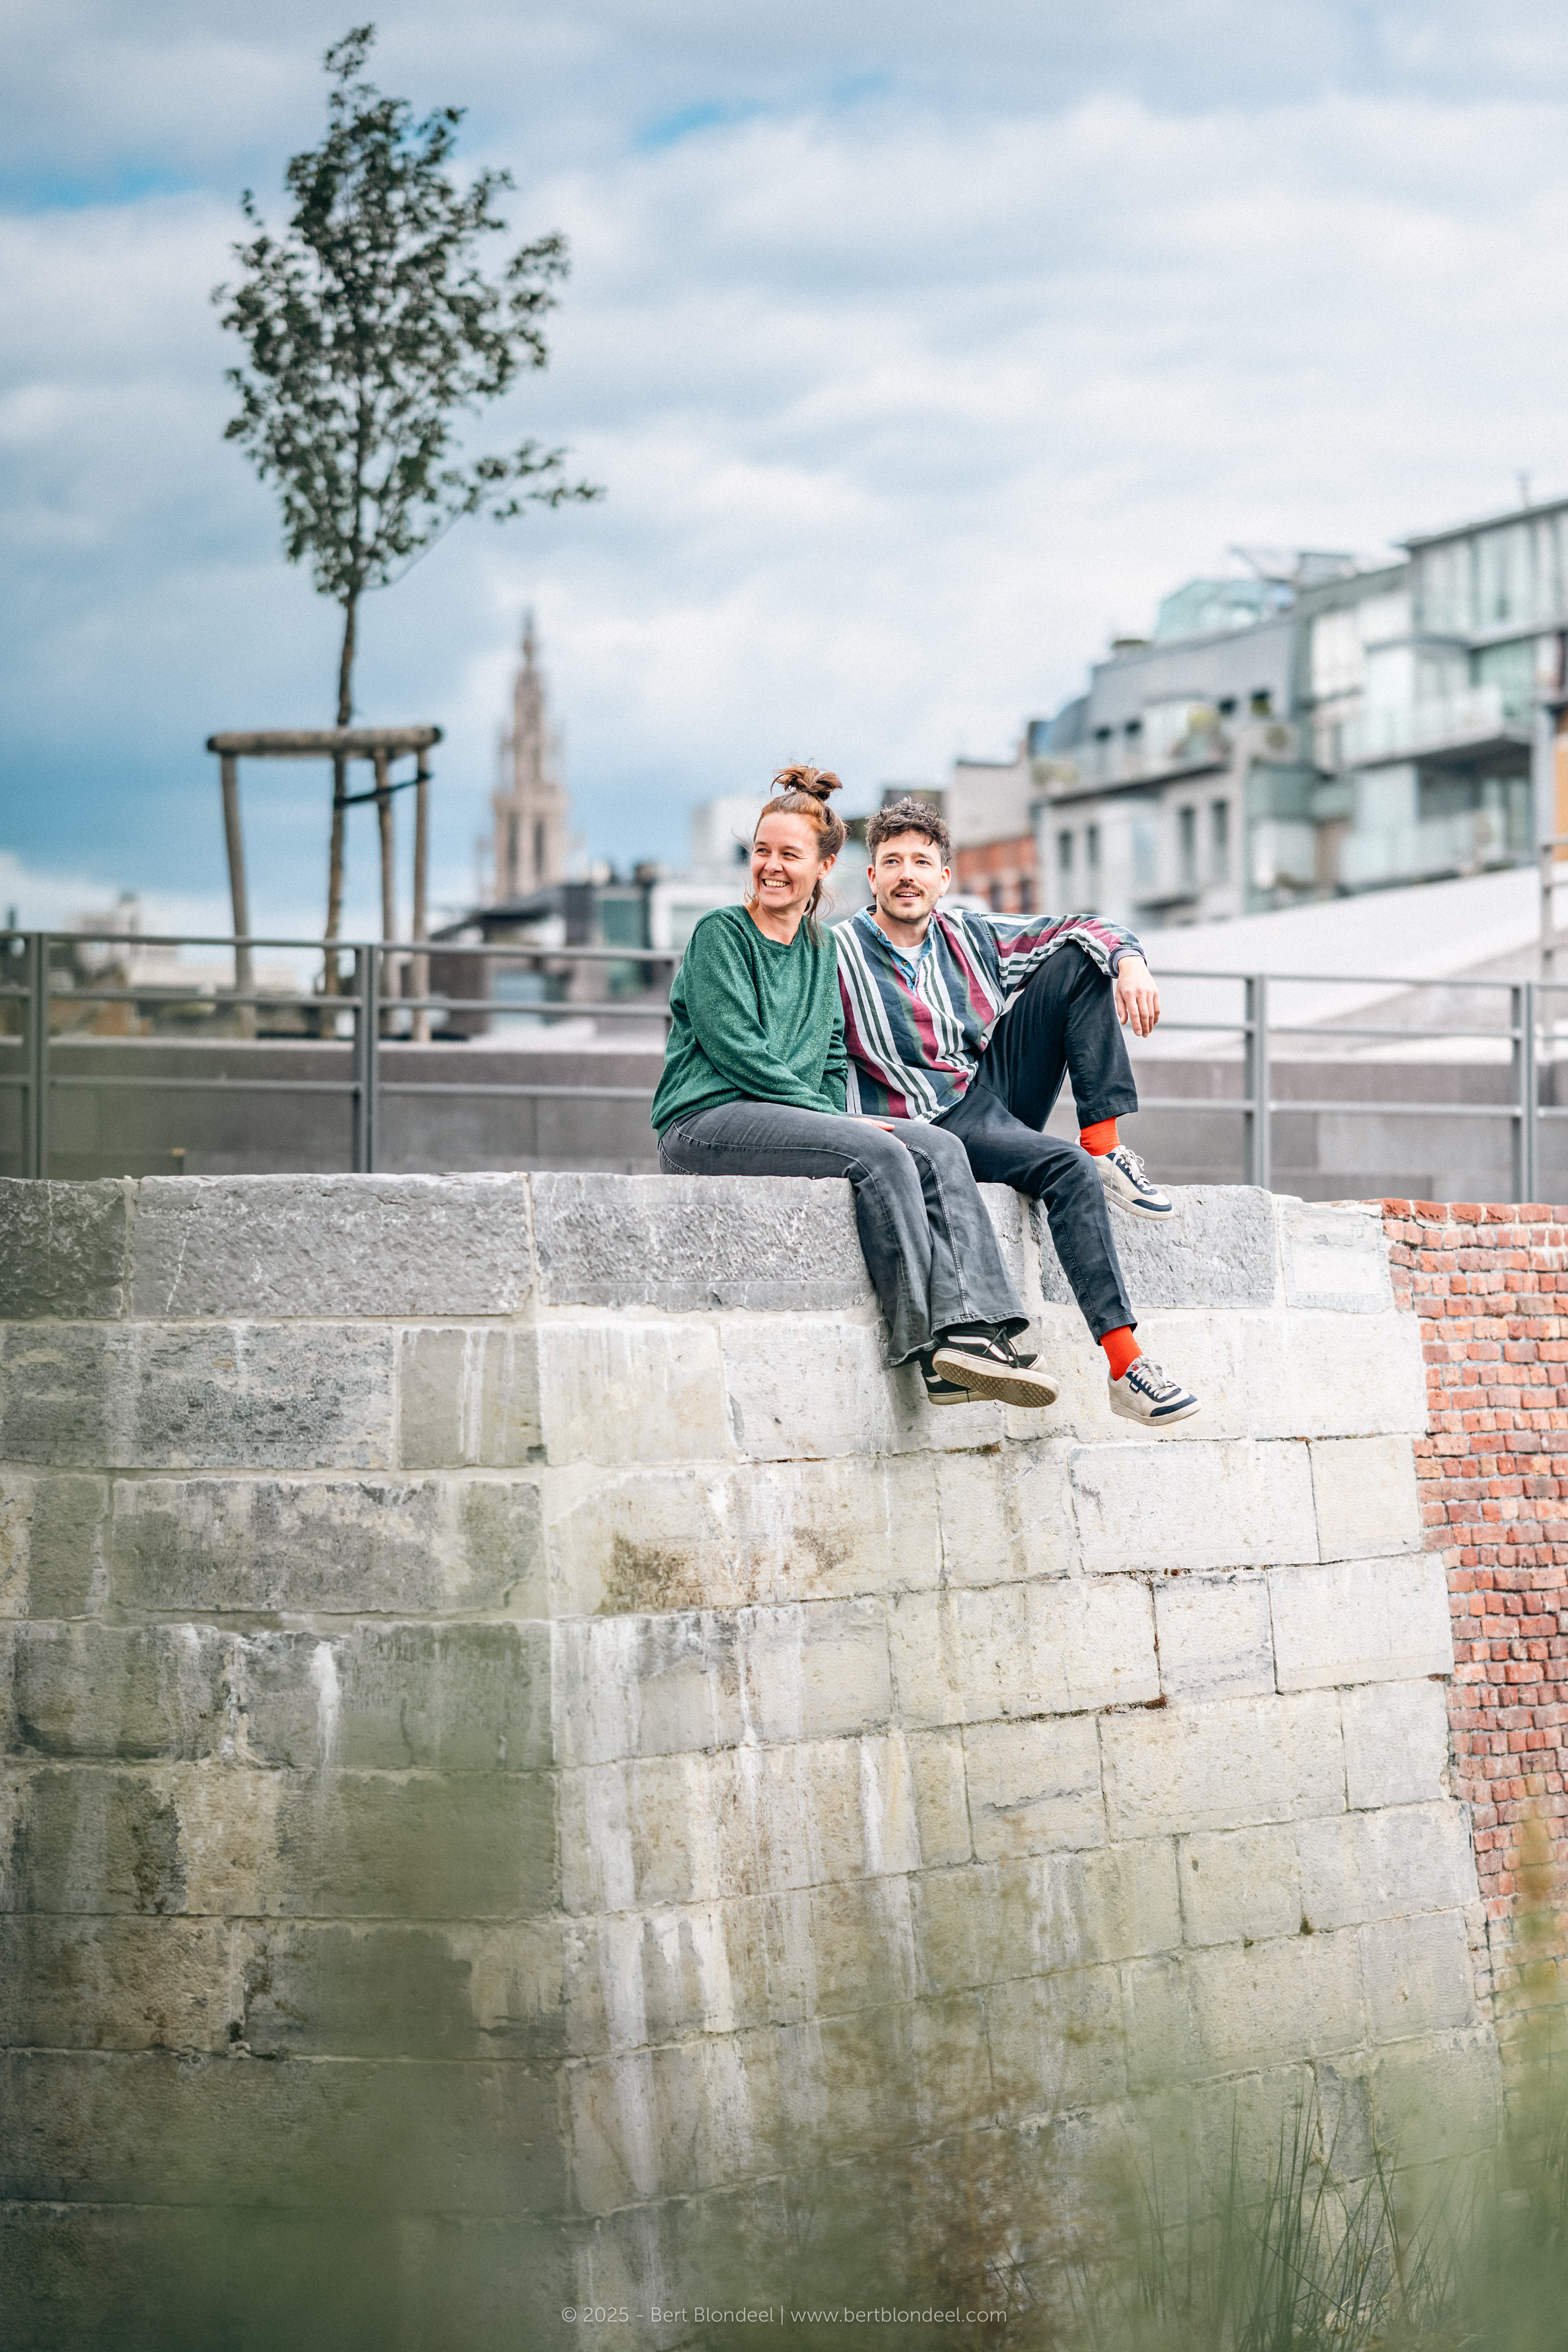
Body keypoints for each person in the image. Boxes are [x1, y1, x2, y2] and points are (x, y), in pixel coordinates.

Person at [653, 766, 1059, 1410]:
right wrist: (838, 1122)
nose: (771, 867)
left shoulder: (821, 949)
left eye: (789, 855)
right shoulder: (721, 936)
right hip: (707, 1121)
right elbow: (740, 1053)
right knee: (880, 1152)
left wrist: (833, 1111)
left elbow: (834, 1056)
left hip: (789, 1118)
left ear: (824, 867)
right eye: (762, 852)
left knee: (939, 1147)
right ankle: (928, 1347)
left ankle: (974, 1333)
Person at [834, 796, 1200, 1427]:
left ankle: (1105, 1142)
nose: (906, 874)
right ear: (872, 877)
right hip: (924, 1124)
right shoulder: (836, 951)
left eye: (921, 861)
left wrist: (1130, 963)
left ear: (944, 878)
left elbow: (1089, 927)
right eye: (891, 861)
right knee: (1065, 1173)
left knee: (1080, 959)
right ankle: (1126, 1364)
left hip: (985, 1096)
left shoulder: (970, 935)